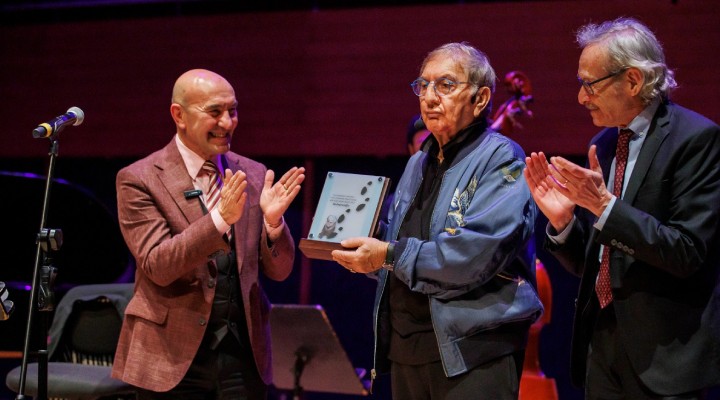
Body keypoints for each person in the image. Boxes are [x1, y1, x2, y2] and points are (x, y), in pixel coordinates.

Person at [332, 42, 542, 400]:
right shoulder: (418, 162)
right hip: (407, 350)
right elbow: (400, 244)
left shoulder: (502, 159)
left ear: (480, 99)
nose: (429, 97)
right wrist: (356, 237)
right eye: (423, 85)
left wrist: (387, 254)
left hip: (472, 353)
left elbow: (471, 255)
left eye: (445, 85)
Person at [524, 17, 720, 399]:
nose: (581, 98)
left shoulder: (696, 140)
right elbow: (596, 263)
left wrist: (605, 207)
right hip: (602, 348)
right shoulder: (605, 143)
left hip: (666, 357)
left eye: (589, 84)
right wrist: (564, 224)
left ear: (632, 80)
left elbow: (688, 252)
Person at [111, 68, 305, 399]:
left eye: (233, 110)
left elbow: (281, 271)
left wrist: (274, 225)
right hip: (170, 359)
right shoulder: (139, 179)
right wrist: (219, 220)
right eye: (215, 112)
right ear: (179, 116)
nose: (228, 123)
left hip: (242, 357)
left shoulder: (253, 173)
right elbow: (158, 265)